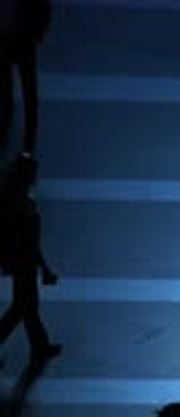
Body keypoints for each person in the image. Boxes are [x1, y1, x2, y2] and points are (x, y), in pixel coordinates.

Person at [0, 153, 61, 368]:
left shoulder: (14, 199)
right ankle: (40, 347)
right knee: (23, 307)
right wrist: (44, 267)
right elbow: (30, 241)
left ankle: (41, 346)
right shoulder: (24, 203)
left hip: (18, 259)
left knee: (26, 307)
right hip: (24, 260)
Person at [0, 0, 52, 156]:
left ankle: (26, 147)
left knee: (21, 89)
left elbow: (43, 7)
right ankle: (26, 147)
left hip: (21, 36)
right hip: (17, 36)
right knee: (16, 89)